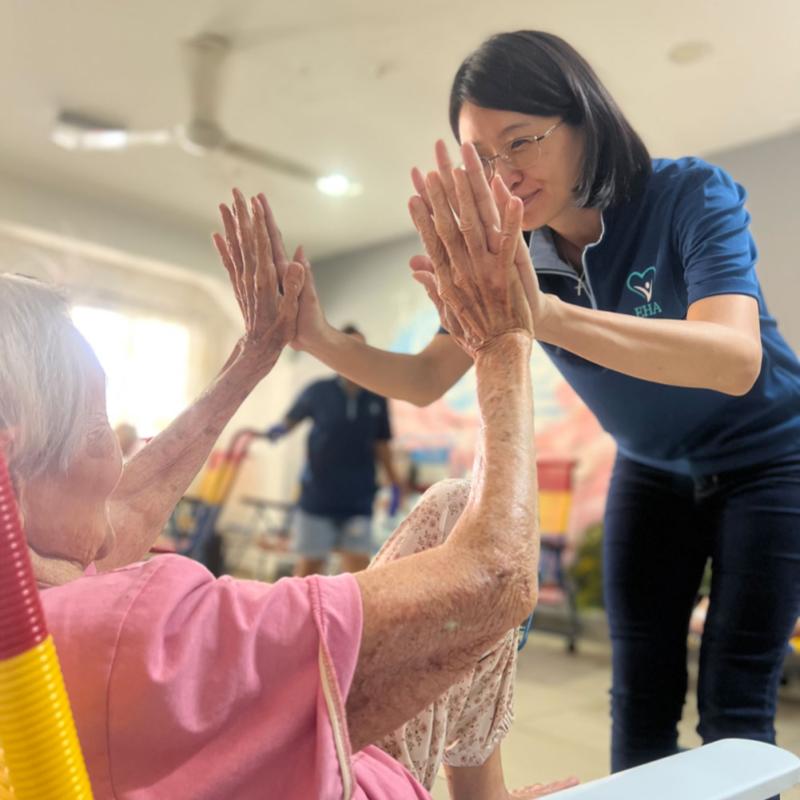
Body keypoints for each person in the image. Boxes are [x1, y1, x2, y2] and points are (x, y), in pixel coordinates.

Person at [278, 30, 800, 777]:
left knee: (735, 705)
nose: (504, 173)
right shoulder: (516, 257)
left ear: (585, 119)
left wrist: (544, 315)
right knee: (641, 699)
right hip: (651, 469)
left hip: (770, 459)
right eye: (482, 157)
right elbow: (428, 376)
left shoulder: (688, 194)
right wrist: (318, 337)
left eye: (520, 141)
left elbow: (735, 359)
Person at [0, 186, 577, 799]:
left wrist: (253, 355)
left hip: (349, 505)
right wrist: (503, 339)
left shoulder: (35, 601)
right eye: (98, 432)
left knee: (432, 525)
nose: (119, 464)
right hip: (356, 769)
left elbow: (123, 510)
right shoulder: (137, 634)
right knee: (458, 524)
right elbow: (496, 578)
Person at [266, 324, 403, 577]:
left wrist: (395, 484)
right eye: (350, 347)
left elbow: (382, 445)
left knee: (359, 574)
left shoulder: (377, 397)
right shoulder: (318, 391)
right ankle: (300, 618)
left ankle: (355, 618)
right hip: (318, 497)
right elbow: (289, 421)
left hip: (358, 499)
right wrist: (274, 431)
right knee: (308, 571)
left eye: (362, 348)